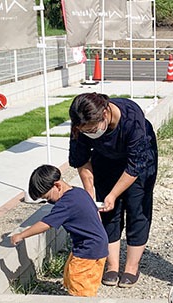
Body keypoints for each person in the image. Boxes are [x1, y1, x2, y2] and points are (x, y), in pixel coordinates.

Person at [68, 93, 158, 288]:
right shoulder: (80, 123)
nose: (90, 133)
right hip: (106, 159)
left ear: (106, 113)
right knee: (107, 210)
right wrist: (90, 195)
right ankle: (112, 265)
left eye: (92, 129)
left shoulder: (131, 118)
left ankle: (132, 267)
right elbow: (81, 160)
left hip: (139, 160)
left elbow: (135, 166)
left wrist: (114, 194)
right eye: (85, 131)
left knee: (137, 208)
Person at [10, 164, 108, 297]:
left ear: (57, 186)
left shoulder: (66, 204)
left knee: (80, 279)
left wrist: (21, 235)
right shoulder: (78, 192)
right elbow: (96, 214)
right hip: (92, 244)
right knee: (71, 272)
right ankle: (75, 296)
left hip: (89, 248)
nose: (49, 202)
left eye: (48, 198)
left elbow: (45, 224)